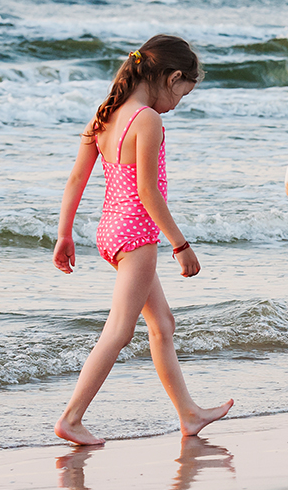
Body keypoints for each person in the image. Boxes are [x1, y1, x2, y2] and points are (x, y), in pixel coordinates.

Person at [52, 35, 233, 446]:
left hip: (112, 232)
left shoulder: (105, 114)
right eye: (182, 93)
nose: (178, 104)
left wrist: (65, 234)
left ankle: (189, 414)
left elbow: (76, 179)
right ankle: (72, 417)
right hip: (137, 236)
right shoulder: (147, 119)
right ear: (171, 78)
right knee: (119, 330)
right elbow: (148, 191)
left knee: (162, 325)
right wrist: (181, 245)